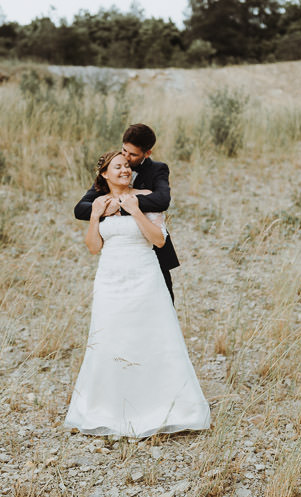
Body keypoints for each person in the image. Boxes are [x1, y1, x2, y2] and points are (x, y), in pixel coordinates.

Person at [64, 151, 210, 437]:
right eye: (117, 167)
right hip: (110, 279)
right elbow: (94, 248)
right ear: (104, 174)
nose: (124, 171)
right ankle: (110, 410)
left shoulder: (146, 197)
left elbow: (157, 239)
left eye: (127, 166)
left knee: (153, 336)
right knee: (110, 338)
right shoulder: (97, 203)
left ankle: (164, 409)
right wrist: (94, 216)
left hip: (145, 276)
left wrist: (135, 210)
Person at [74, 124, 179, 302]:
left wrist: (125, 205)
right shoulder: (112, 168)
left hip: (151, 252)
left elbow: (162, 200)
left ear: (147, 153)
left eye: (133, 155)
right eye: (124, 150)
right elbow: (80, 209)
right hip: (118, 257)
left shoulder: (158, 169)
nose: (126, 158)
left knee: (162, 304)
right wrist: (107, 208)